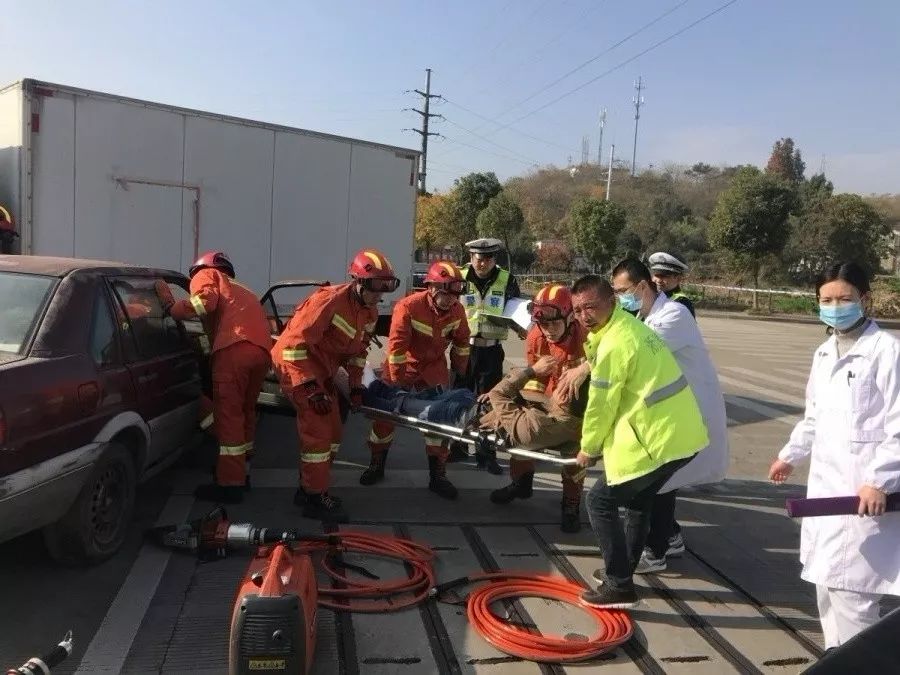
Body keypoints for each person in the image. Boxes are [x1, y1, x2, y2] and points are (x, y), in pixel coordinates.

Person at [768, 261, 900, 650]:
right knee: (828, 588)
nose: (835, 305)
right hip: (827, 491)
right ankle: (837, 660)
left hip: (863, 495)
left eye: (845, 298)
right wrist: (790, 454)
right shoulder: (825, 352)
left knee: (854, 595)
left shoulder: (888, 352)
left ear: (866, 299)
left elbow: (899, 423)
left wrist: (880, 479)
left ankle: (859, 665)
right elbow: (814, 415)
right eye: (826, 299)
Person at [568, 275, 708, 609]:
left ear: (611, 302)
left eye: (590, 306)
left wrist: (588, 449)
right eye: (577, 309)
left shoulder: (617, 342)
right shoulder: (629, 329)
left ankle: (619, 586)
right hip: (678, 435)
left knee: (599, 501)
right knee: (638, 501)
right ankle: (623, 572)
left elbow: (601, 405)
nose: (584, 315)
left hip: (658, 439)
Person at [610, 258, 729, 571]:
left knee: (659, 482)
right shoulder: (639, 313)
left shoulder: (674, 314)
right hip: (669, 411)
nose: (620, 297)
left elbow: (632, 356)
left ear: (642, 286)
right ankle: (671, 536)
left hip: (689, 411)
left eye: (623, 290)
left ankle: (655, 550)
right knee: (664, 480)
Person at [271, 248, 398, 523]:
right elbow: (293, 346)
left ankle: (307, 490)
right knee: (318, 432)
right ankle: (315, 499)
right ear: (359, 282)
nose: (380, 295)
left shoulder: (369, 313)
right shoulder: (328, 301)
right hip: (297, 365)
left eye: (385, 288)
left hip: (322, 370)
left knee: (334, 431)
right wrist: (308, 386)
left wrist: (355, 386)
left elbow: (358, 353)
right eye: (376, 287)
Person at [157, 251, 272, 505]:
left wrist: (172, 307)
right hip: (261, 353)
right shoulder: (241, 290)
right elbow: (213, 328)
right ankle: (243, 472)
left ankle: (230, 485)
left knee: (229, 417)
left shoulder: (207, 275)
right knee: (245, 412)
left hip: (234, 352)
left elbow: (203, 303)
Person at [362, 261, 470, 499]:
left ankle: (438, 475)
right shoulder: (408, 306)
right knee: (385, 418)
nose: (451, 300)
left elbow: (462, 341)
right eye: (446, 294)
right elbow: (397, 347)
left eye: (455, 295)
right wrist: (398, 384)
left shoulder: (457, 311)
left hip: (434, 368)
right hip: (403, 366)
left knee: (440, 419)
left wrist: (460, 370)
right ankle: (376, 465)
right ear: (431, 288)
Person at [489, 283, 589, 533]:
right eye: (543, 325)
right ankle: (521, 484)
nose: (548, 331)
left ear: (570, 317)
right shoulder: (536, 337)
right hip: (548, 399)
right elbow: (535, 380)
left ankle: (571, 505)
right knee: (521, 438)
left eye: (554, 324)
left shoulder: (587, 335)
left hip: (582, 406)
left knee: (574, 455)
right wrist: (534, 408)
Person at [451, 237, 523, 473]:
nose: (484, 264)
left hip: (492, 350)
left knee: (489, 401)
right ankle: (457, 447)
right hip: (464, 348)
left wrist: (522, 326)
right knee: (460, 398)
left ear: (495, 259)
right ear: (471, 258)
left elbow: (516, 309)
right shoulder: (458, 277)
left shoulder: (507, 279)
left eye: (489, 259)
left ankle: (486, 454)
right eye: (479, 259)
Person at [648, 251, 695, 317]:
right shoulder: (653, 296)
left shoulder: (682, 303)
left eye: (664, 276)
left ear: (678, 279)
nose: (658, 280)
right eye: (656, 275)